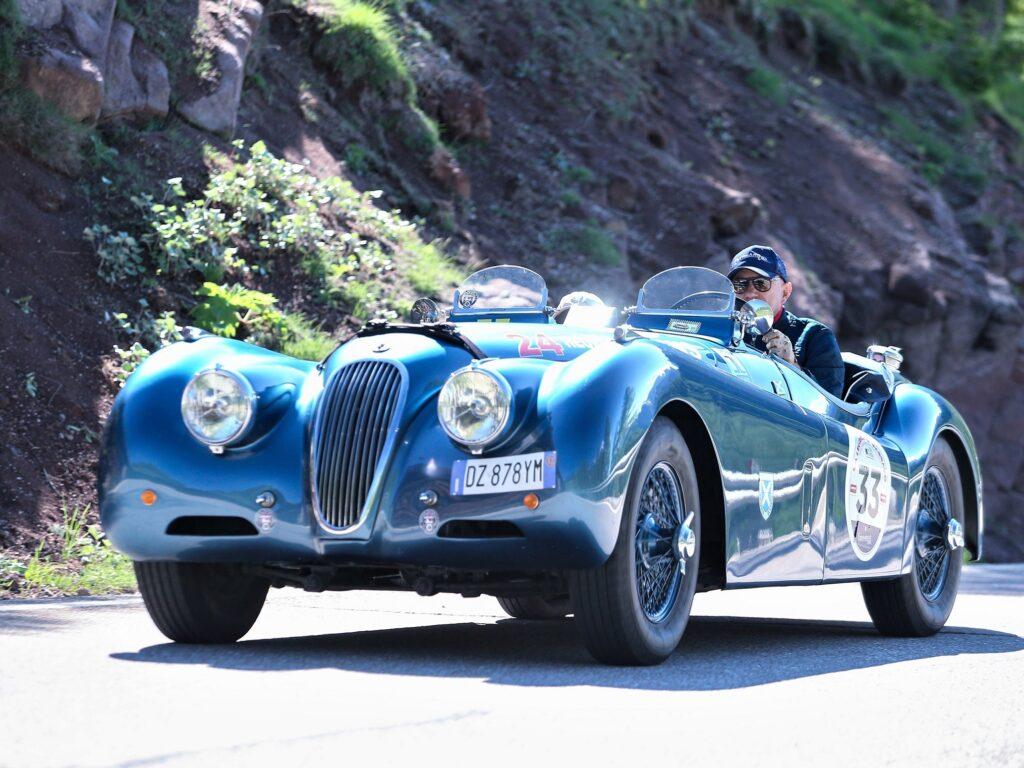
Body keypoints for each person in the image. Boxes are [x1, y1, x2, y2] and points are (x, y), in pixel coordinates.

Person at [728, 245, 845, 398]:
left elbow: (830, 406)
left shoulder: (815, 336)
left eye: (761, 283)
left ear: (785, 292)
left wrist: (791, 364)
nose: (750, 293)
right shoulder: (724, 330)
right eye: (740, 285)